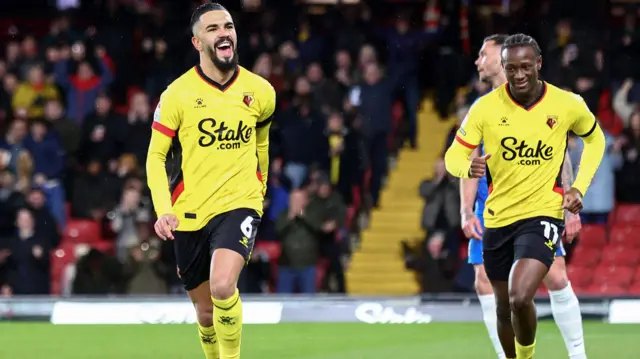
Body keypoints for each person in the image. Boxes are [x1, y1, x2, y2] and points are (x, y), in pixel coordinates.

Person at [445, 33, 605, 359]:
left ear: (538, 64)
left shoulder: (565, 104)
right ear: (504, 67)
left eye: (525, 67)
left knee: (528, 291)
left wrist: (576, 191)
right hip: (496, 213)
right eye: (512, 67)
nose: (518, 74)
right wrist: (466, 180)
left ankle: (577, 355)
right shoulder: (484, 109)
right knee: (498, 299)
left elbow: (589, 142)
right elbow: (456, 158)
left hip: (543, 210)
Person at [146, 3, 276, 359]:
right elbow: (155, 157)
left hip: (240, 201)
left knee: (222, 286)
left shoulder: (260, 91)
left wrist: (259, 189)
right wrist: (163, 210)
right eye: (214, 28)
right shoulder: (177, 94)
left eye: (229, 26)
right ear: (197, 42)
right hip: (189, 211)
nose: (224, 33)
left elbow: (261, 145)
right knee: (205, 314)